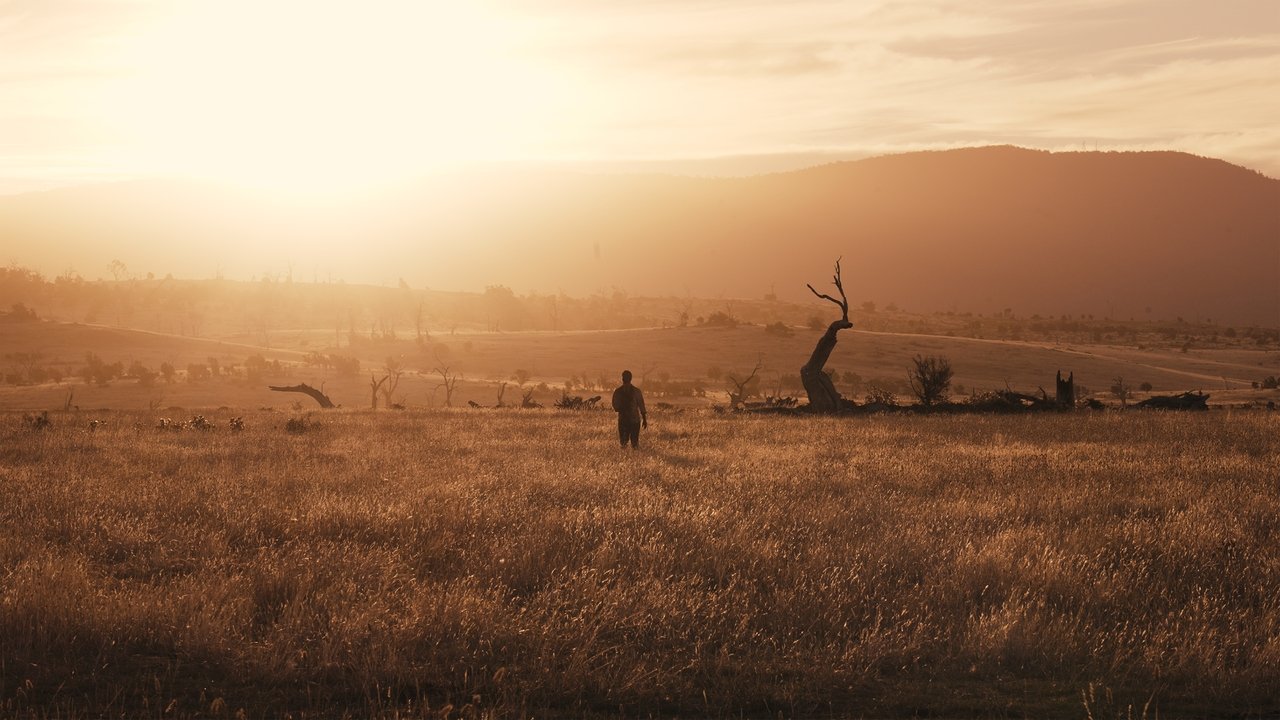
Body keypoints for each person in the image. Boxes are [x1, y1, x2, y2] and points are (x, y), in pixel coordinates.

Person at [611, 369, 647, 448]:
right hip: (635, 420)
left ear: (622, 378)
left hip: (623, 420)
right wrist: (644, 419)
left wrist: (623, 409)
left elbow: (615, 407)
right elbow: (642, 406)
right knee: (634, 443)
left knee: (623, 443)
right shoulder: (636, 391)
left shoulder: (618, 392)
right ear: (631, 379)